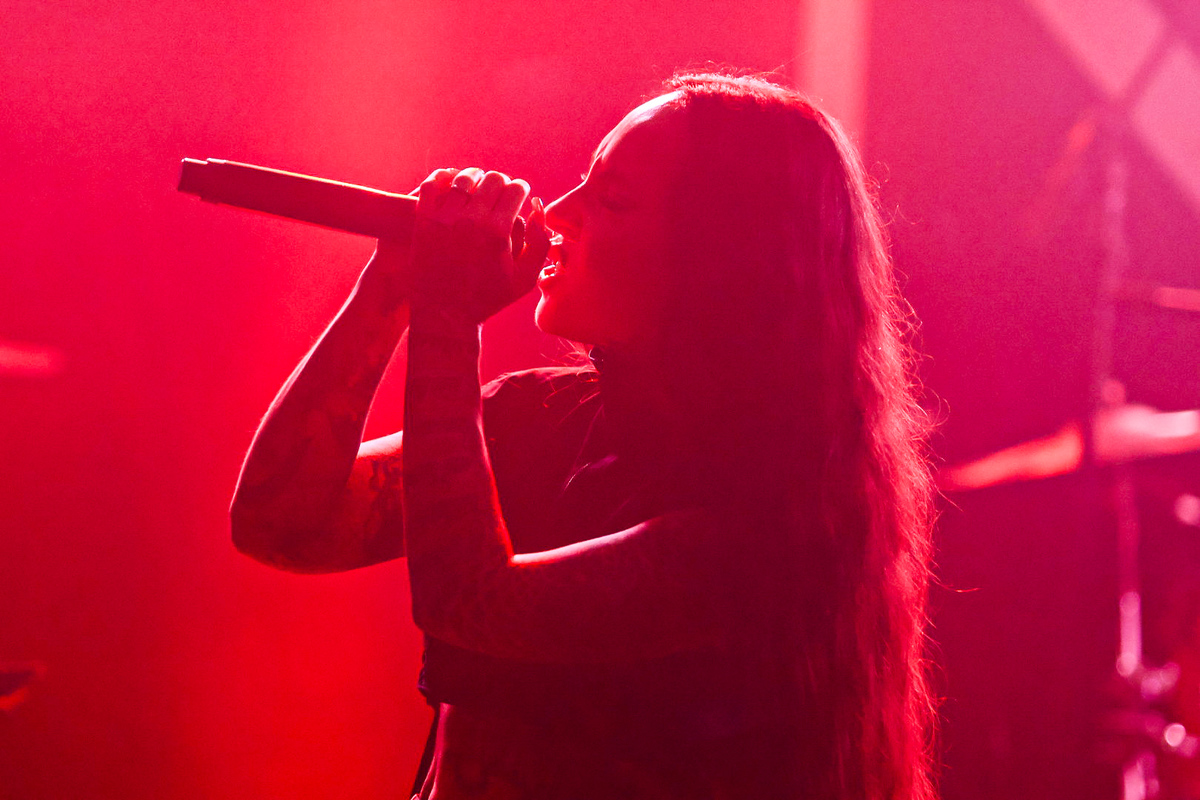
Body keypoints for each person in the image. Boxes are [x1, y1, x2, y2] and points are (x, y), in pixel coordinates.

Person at [230, 71, 936, 800]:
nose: (558, 213)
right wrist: (388, 290)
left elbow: (469, 604)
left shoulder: (760, 531)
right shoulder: (534, 418)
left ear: (719, 262)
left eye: (612, 199)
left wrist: (449, 313)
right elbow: (280, 521)